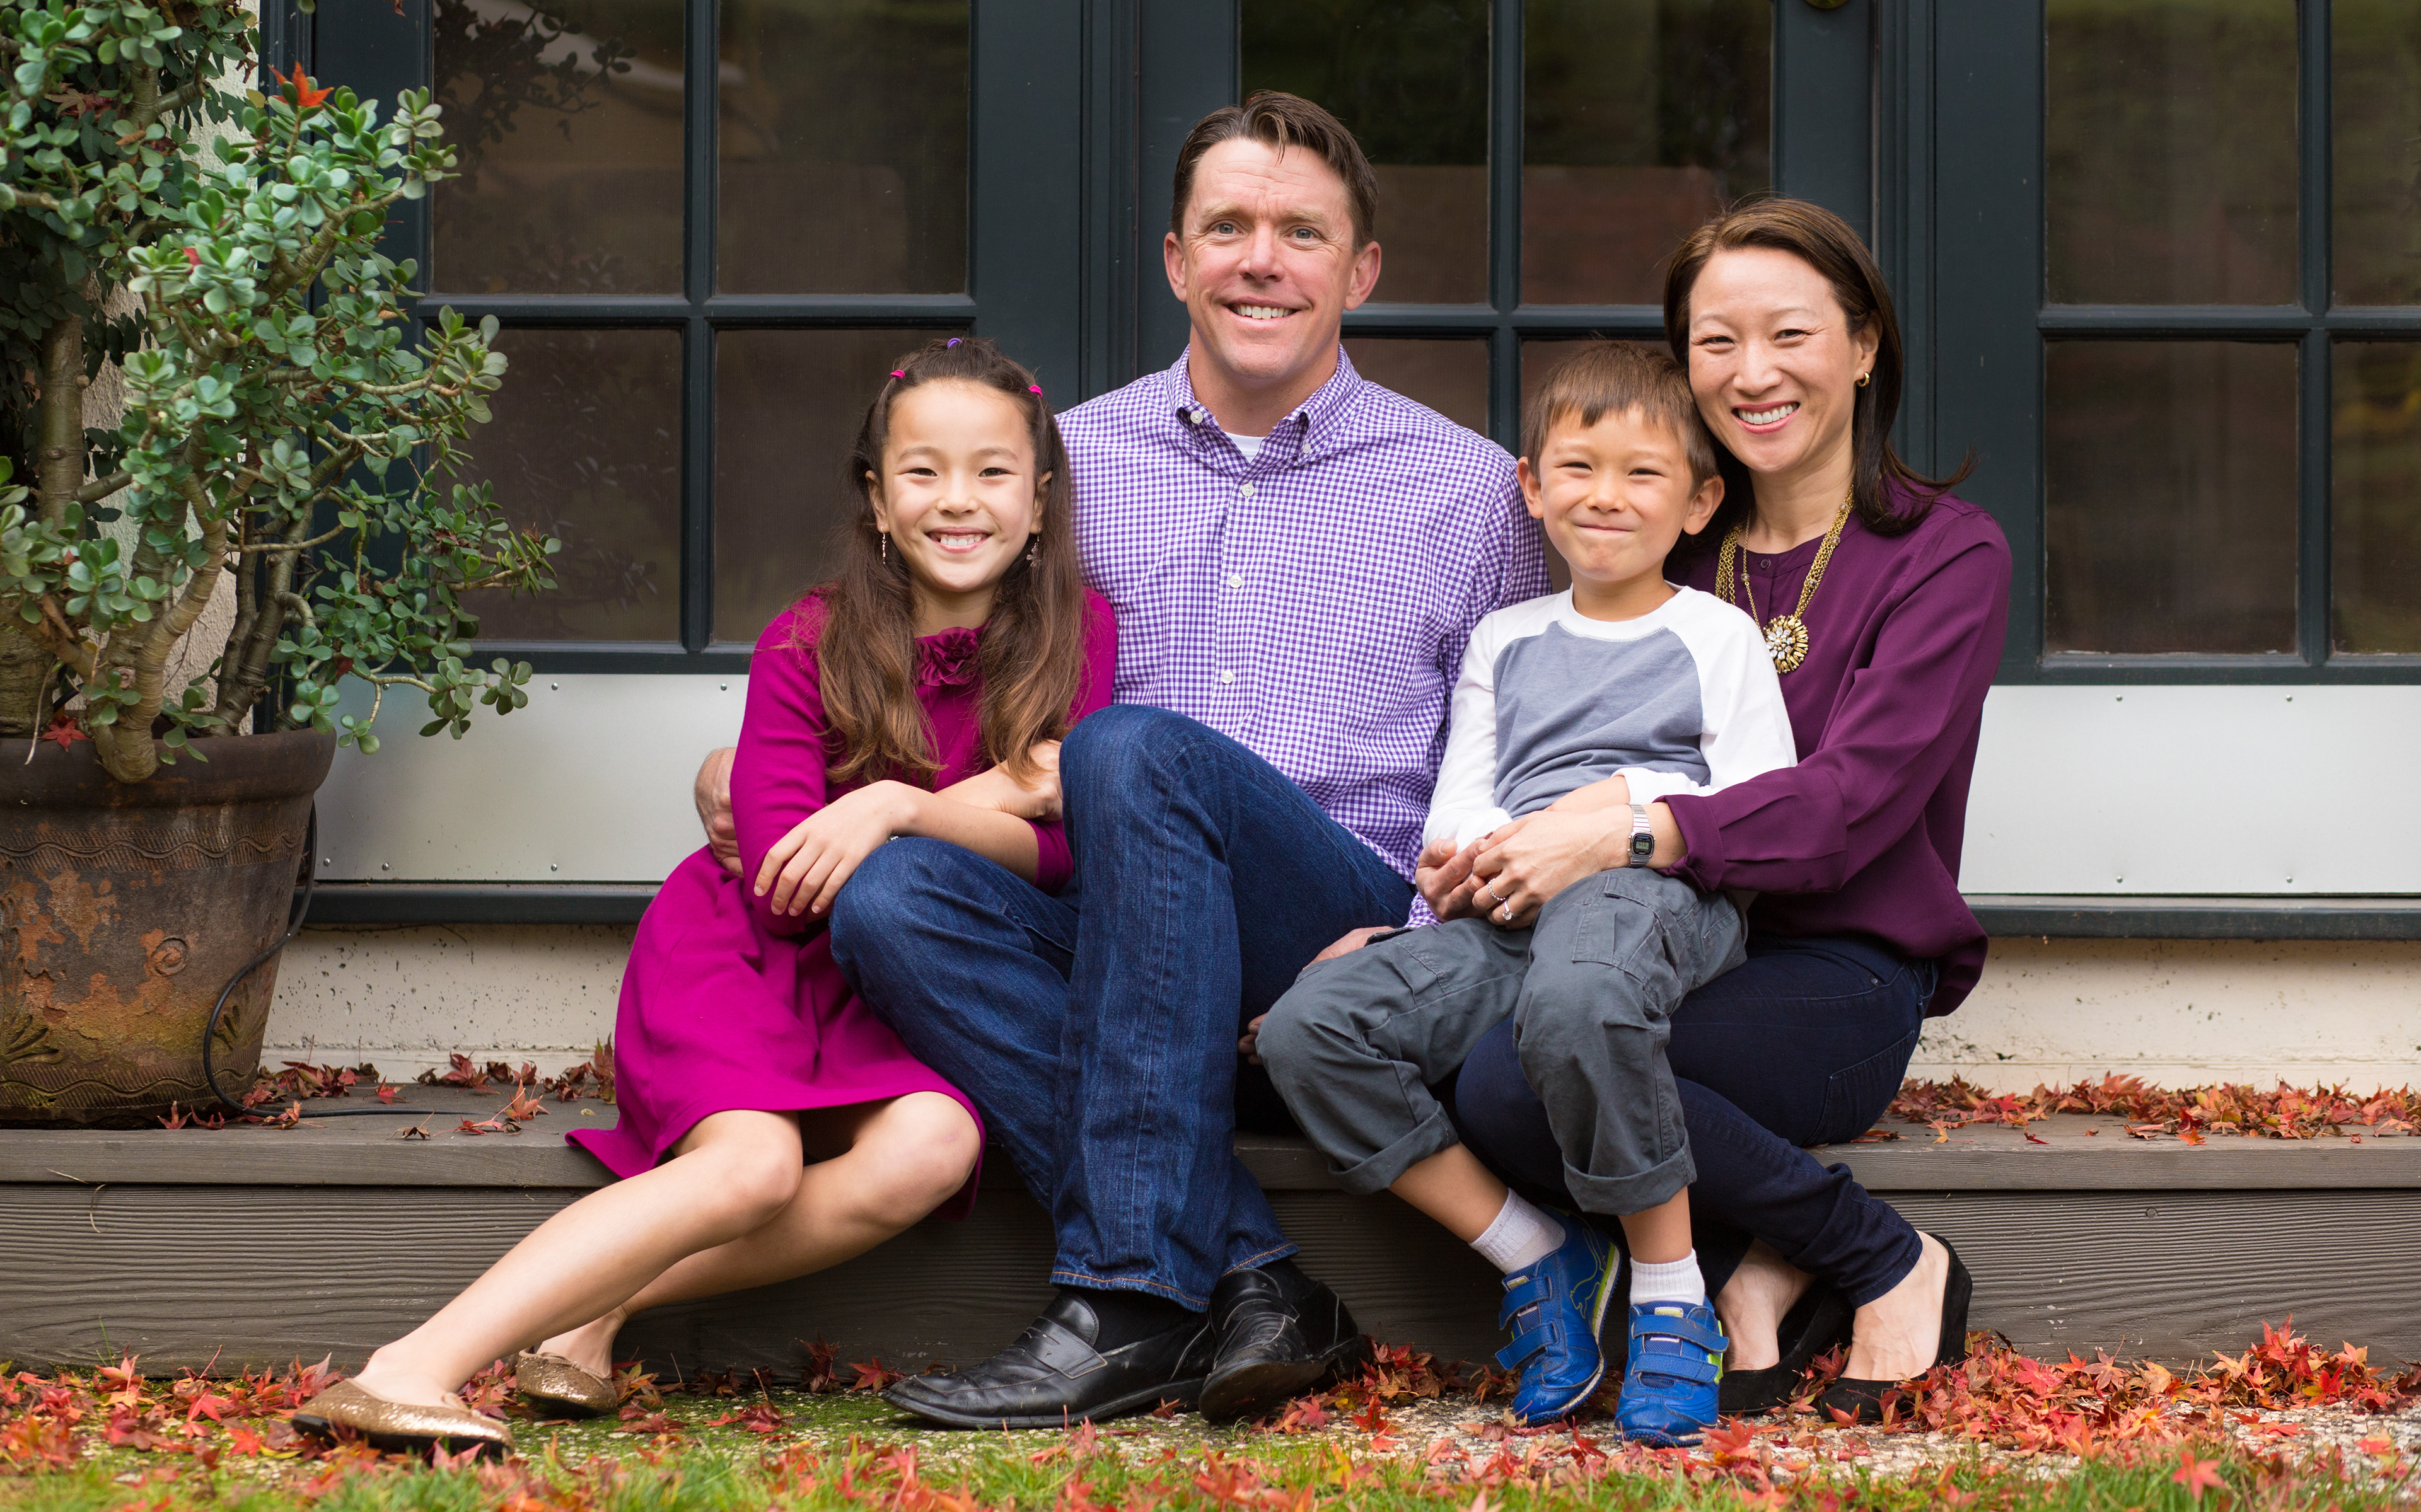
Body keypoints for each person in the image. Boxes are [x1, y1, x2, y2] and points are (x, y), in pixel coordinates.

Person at [695, 92, 1547, 1428]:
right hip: (1120, 939)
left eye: (1303, 233)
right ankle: (1259, 1277)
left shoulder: (1471, 490)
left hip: (1341, 930)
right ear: (1174, 258)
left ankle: (1129, 1295)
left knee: (1133, 744)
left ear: (1362, 270)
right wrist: (778, 762)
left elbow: (1522, 757)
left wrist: (1421, 946)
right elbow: (912, 666)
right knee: (890, 898)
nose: (1261, 260)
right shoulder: (1062, 465)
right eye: (1229, 226)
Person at [297, 337, 1115, 1457]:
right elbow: (783, 888)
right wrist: (997, 794)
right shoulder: (808, 639)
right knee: (754, 1167)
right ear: (878, 499)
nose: (958, 500)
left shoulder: (1077, 634)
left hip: (888, 983)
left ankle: (596, 1313)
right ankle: (413, 1365)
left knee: (934, 1147)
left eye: (993, 472)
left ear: (1041, 499)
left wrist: (895, 809)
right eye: (922, 472)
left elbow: (1064, 860)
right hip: (742, 957)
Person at [1422, 200, 2009, 1424]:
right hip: (1650, 943)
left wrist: (1637, 828)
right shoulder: (1661, 539)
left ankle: (1883, 1255)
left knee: (1532, 1077)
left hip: (1838, 970)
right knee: (1500, 1065)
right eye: (1716, 341)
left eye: (1790, 334)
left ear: (1863, 345)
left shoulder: (1943, 555)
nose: (1753, 374)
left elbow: (1854, 800)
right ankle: (1753, 1254)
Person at [1256, 342, 1796, 1445]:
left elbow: (1756, 794)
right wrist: (1463, 854)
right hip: (1509, 909)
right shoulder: (1506, 639)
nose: (1607, 496)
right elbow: (1462, 793)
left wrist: (1609, 809)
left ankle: (1670, 1293)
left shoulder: (1716, 634)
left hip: (1654, 891)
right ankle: (1538, 1252)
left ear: (1699, 502)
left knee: (1580, 993)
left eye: (1643, 474)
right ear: (1533, 486)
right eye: (1579, 468)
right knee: (1311, 1030)